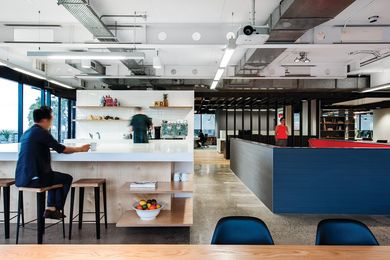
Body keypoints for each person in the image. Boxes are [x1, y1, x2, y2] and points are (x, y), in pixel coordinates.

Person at [15, 106, 90, 219]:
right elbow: (62, 149)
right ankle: (54, 209)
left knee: (54, 177)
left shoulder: (27, 133)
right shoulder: (42, 133)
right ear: (45, 120)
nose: (51, 123)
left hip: (22, 178)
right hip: (35, 179)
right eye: (51, 120)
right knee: (66, 178)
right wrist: (80, 149)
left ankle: (51, 208)